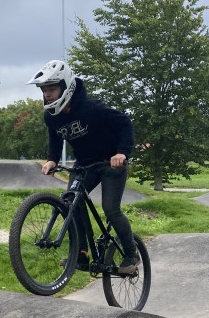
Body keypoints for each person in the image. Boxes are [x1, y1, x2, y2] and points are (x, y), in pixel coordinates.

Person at [27, 60, 140, 275]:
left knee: (111, 209)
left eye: (52, 89)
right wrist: (52, 159)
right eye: (44, 90)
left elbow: (125, 123)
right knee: (71, 202)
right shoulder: (51, 116)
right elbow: (55, 137)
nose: (47, 94)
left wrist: (122, 153)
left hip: (111, 163)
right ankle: (82, 253)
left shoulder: (91, 108)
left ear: (66, 87)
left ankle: (130, 252)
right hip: (85, 165)